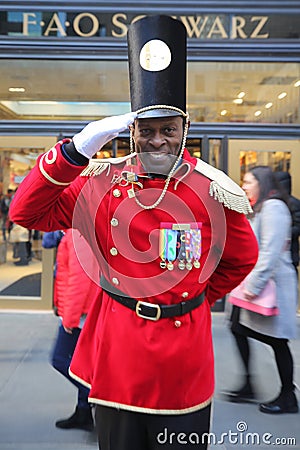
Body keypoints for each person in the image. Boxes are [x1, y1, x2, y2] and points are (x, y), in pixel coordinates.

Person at [9, 15, 258, 450]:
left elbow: (240, 259)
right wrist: (75, 150)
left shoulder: (213, 190)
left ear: (185, 132)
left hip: (184, 359)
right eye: (147, 130)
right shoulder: (102, 183)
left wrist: (192, 297)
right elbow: (26, 212)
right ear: (132, 133)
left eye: (168, 130)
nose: (158, 140)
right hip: (118, 356)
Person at [224, 166, 298, 414]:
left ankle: (288, 395)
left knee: (278, 341)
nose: (244, 186)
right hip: (260, 283)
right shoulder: (262, 207)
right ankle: (250, 385)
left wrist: (253, 286)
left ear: (262, 183)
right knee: (237, 327)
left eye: (248, 181)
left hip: (272, 285)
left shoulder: (274, 208)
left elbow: (270, 252)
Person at [51, 228, 101, 430]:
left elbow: (79, 281)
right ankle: (84, 412)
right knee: (84, 364)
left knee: (60, 359)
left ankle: (97, 396)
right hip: (83, 313)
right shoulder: (75, 231)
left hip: (81, 315)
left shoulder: (78, 233)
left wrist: (69, 318)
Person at [274, 171, 300, 274]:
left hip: (289, 252)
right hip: (282, 252)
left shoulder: (293, 204)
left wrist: (281, 233)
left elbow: (298, 227)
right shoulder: (274, 202)